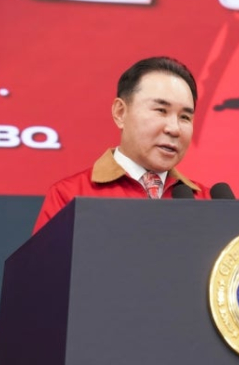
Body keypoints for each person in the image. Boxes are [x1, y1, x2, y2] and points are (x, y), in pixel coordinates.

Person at [33, 56, 210, 234]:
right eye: (161, 110)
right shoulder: (69, 196)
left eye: (185, 117)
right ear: (120, 112)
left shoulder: (209, 203)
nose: (174, 129)